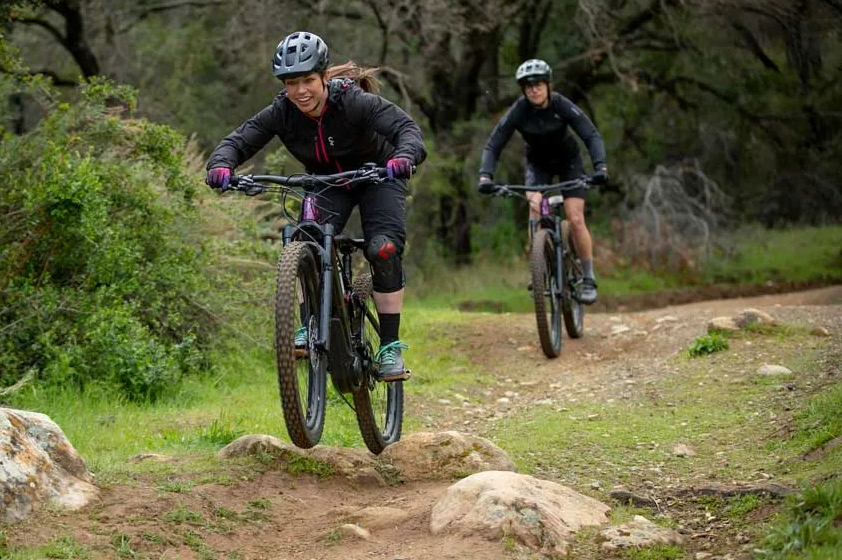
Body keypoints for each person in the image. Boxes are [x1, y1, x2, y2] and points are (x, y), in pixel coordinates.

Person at [205, 30, 427, 381]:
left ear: (325, 76)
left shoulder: (354, 102)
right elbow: (238, 140)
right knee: (303, 240)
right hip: (327, 183)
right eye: (291, 83)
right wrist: (221, 165)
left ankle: (389, 346)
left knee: (382, 249)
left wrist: (403, 157)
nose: (300, 91)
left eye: (308, 80)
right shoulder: (283, 111)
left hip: (378, 177)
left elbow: (406, 129)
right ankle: (310, 323)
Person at [477, 59, 608, 304]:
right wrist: (486, 175)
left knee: (575, 216)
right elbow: (494, 144)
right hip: (538, 166)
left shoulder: (561, 105)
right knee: (536, 208)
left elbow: (590, 134)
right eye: (527, 86)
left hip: (569, 163)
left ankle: (588, 277)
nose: (533, 89)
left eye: (538, 84)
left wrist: (600, 166)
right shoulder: (519, 110)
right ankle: (539, 269)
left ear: (548, 85)